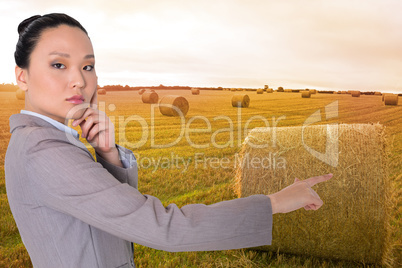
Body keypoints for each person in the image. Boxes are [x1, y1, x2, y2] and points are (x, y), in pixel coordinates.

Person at [5, 13, 333, 268]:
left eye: (88, 66)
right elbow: (164, 227)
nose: (79, 80)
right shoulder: (43, 151)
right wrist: (274, 203)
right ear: (22, 76)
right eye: (58, 64)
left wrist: (108, 155)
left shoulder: (47, 140)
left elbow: (114, 219)